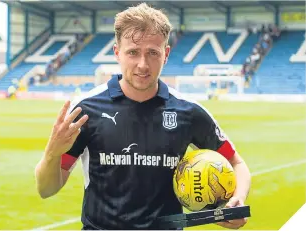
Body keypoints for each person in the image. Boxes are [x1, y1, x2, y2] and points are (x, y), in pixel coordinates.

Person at [35, 3, 251, 230]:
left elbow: (236, 162)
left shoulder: (188, 112)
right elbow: (46, 189)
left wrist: (237, 200)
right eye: (133, 52)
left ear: (165, 54)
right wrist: (52, 154)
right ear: (117, 53)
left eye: (152, 53)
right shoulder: (87, 110)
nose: (143, 64)